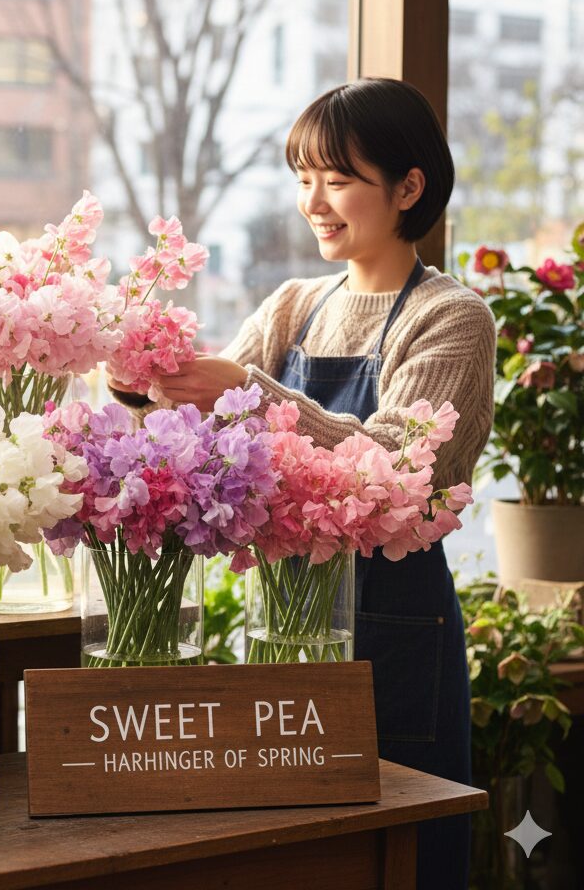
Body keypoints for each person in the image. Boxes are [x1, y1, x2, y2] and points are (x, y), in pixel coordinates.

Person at [121, 78, 496, 890]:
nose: (313, 203)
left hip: (395, 626)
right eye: (303, 179)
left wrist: (249, 392)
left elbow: (403, 467)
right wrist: (143, 381)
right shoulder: (295, 304)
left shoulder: (451, 316)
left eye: (338, 179)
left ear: (408, 188)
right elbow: (210, 429)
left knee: (399, 846)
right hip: (283, 618)